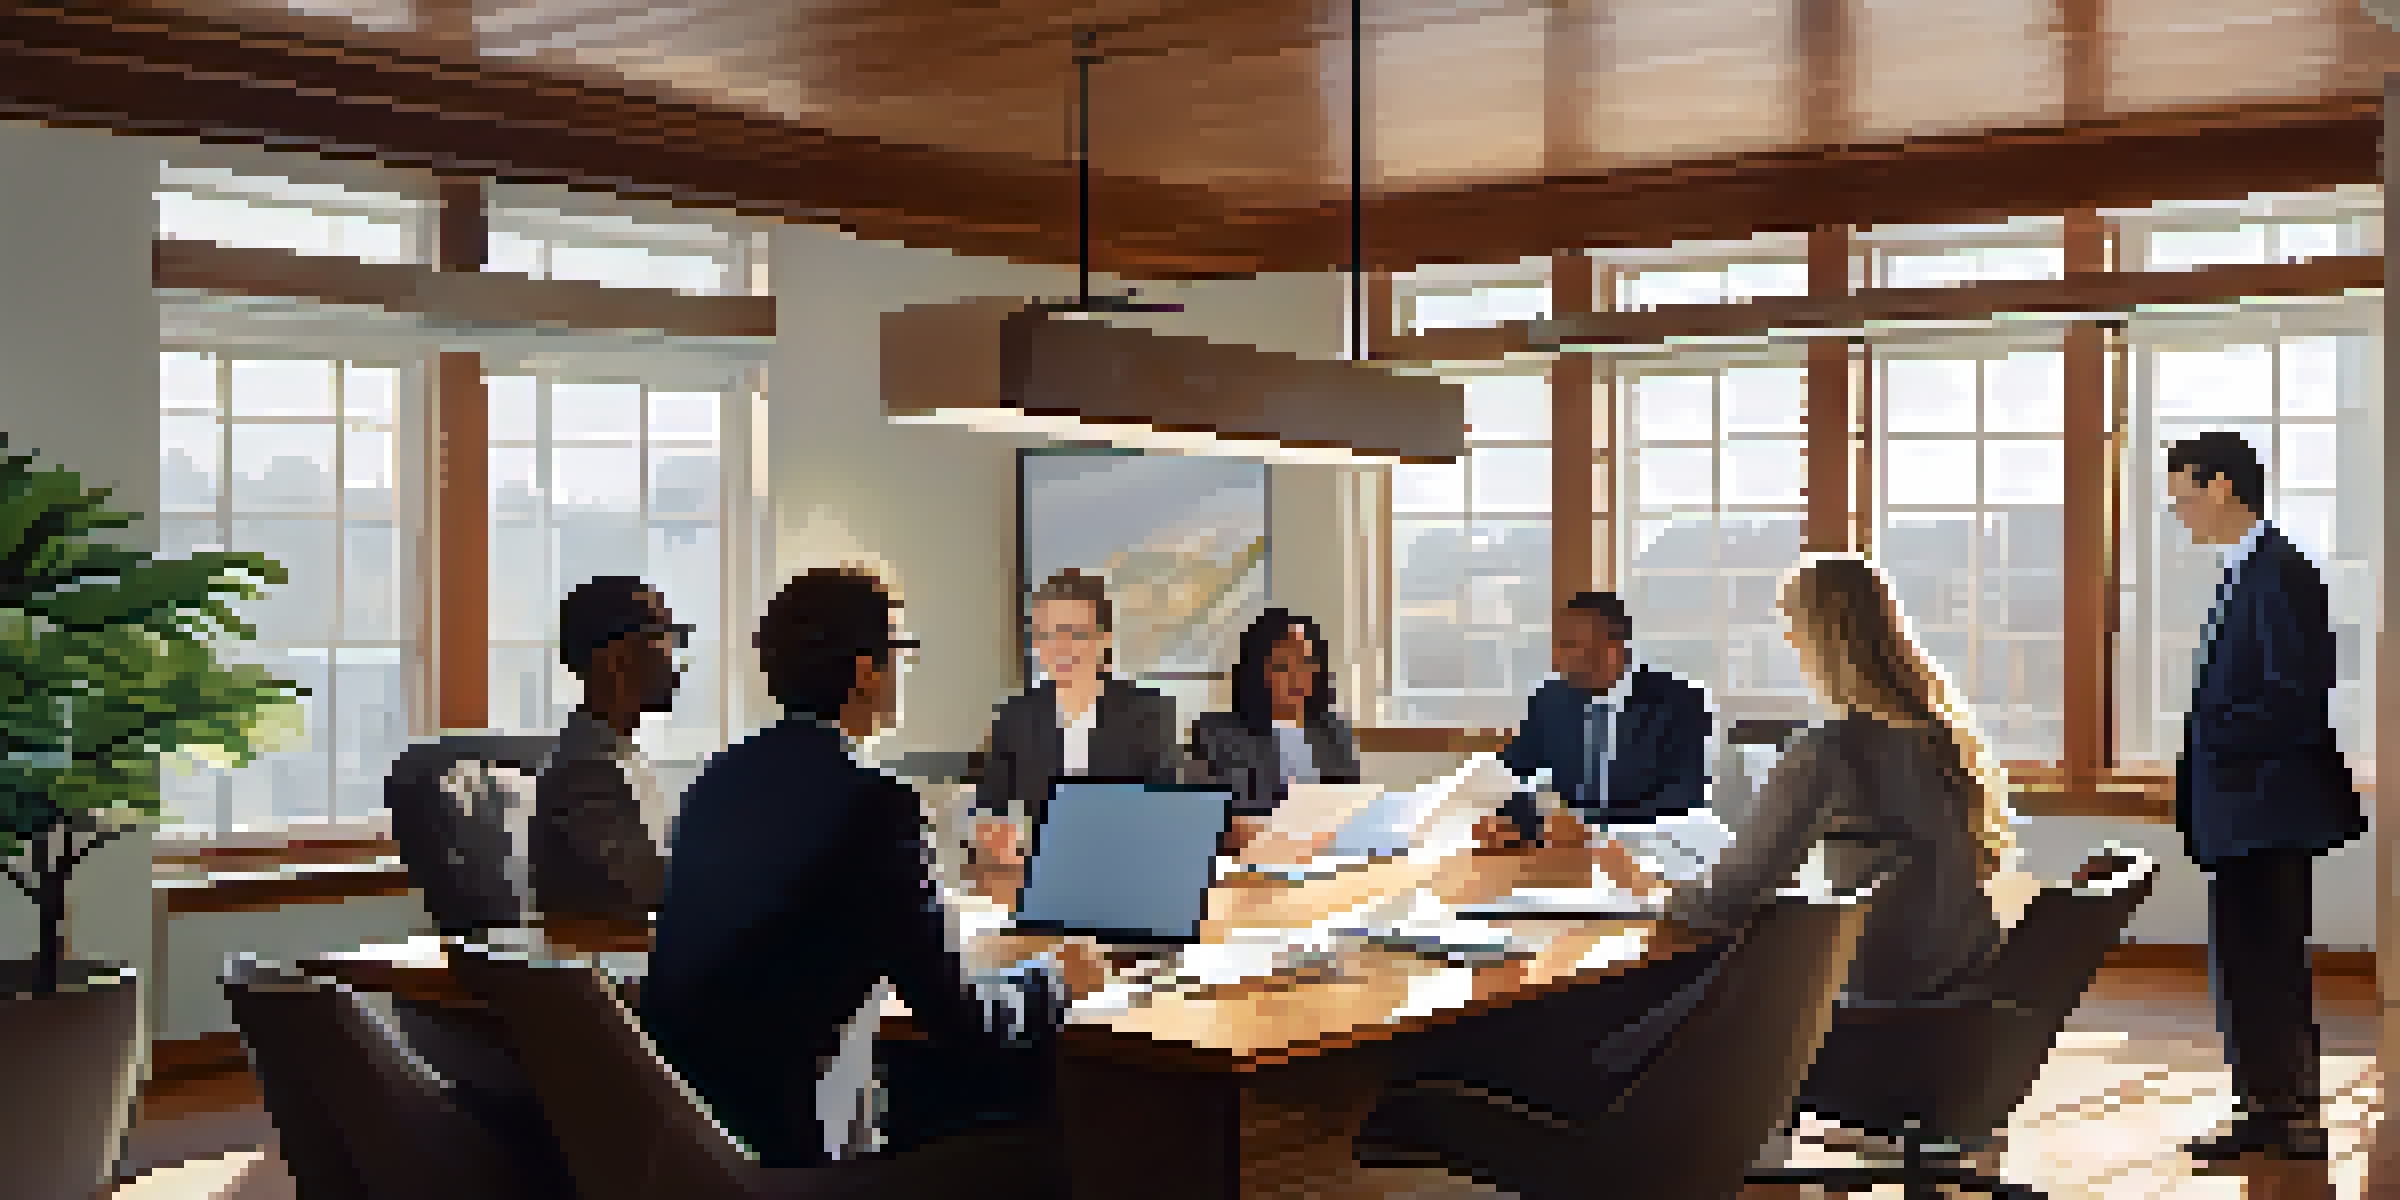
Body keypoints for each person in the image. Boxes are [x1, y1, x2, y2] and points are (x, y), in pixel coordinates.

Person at [1368, 558, 2016, 1151]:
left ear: (1825, 639)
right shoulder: (1942, 737)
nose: (1788, 643)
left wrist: (1641, 882)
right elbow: (1515, 774)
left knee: (1610, 1004)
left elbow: (1725, 902)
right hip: (1956, 1000)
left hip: (1880, 1014)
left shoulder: (1830, 750)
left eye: (1793, 627)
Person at [641, 567, 1102, 1169]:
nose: (904, 672)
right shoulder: (873, 803)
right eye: (901, 654)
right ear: (866, 672)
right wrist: (1058, 979)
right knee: (1048, 1156)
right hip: (796, 1165)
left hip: (691, 1154)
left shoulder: (716, 782)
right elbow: (965, 1021)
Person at [2164, 432, 2363, 1164]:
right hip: (2248, 806)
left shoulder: (2277, 572)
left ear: (2221, 486)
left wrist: (2206, 731)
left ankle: (2290, 1117)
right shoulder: (2248, 569)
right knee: (2247, 964)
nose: (2178, 506)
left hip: (2266, 806)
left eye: (2184, 490)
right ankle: (2269, 1110)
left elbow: (2293, 700)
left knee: (2267, 965)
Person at [1483, 591, 1723, 883]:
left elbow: (1684, 797)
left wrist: (1590, 829)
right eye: (1559, 645)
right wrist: (1505, 818)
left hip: (1645, 860)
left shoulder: (1679, 700)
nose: (1558, 658)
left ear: (1614, 649)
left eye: (1571, 645)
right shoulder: (1552, 697)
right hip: (1560, 857)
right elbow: (1514, 770)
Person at [973, 568, 1181, 866]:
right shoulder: (1015, 715)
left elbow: (1169, 813)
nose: (1060, 647)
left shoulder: (1149, 714)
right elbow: (988, 809)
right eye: (1046, 634)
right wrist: (995, 836)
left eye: (1074, 633)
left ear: (1104, 639)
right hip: (1041, 869)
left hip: (1127, 867)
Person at [528, 576, 684, 926]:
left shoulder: (622, 754)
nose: (673, 658)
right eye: (662, 637)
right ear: (616, 658)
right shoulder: (585, 773)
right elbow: (657, 888)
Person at [1186, 608, 1362, 855]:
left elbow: (1351, 811)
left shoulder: (1335, 731)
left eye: (1306, 663)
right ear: (1258, 671)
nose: (1296, 677)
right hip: (1253, 861)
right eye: (1282, 666)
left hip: (1328, 857)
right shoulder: (1218, 734)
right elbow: (1220, 822)